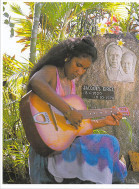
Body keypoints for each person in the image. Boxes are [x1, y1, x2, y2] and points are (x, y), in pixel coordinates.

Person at [26, 36, 127, 184]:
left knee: (112, 142)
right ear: (67, 57)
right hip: (50, 149)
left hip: (66, 145)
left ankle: (117, 171)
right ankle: (119, 170)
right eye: (78, 65)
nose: (80, 71)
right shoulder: (51, 71)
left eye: (85, 68)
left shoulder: (71, 84)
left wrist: (104, 121)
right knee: (108, 144)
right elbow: (36, 82)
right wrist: (68, 110)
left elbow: (75, 127)